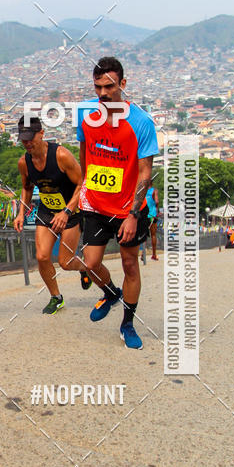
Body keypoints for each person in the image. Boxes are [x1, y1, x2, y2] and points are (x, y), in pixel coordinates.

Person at [76, 56, 159, 350]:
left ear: (122, 84)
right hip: (96, 205)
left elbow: (146, 172)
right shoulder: (87, 117)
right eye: (97, 86)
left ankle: (127, 324)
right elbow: (85, 159)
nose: (102, 93)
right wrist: (82, 195)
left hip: (128, 209)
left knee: (129, 265)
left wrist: (135, 213)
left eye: (109, 86)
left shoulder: (141, 122)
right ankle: (111, 293)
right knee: (91, 263)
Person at [13, 115, 91, 314]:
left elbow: (82, 184)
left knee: (65, 262)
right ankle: (56, 297)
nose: (27, 142)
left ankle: (83, 268)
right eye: (23, 138)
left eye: (31, 137)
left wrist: (66, 211)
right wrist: (21, 212)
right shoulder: (24, 162)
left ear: (42, 134)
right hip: (47, 210)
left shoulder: (61, 155)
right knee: (42, 256)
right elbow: (27, 188)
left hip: (70, 211)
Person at [146, 185, 160, 259]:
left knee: (144, 234)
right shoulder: (154, 190)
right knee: (153, 235)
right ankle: (154, 254)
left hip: (144, 215)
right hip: (152, 214)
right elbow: (157, 201)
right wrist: (157, 209)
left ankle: (143, 254)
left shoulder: (142, 190)